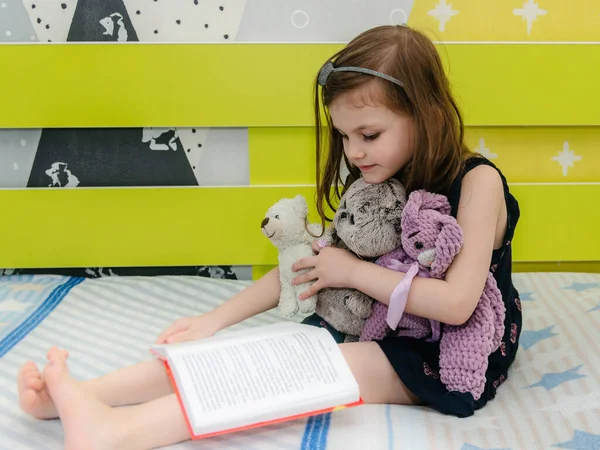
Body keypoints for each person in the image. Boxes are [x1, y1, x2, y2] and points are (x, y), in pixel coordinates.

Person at [17, 24, 521, 449]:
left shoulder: (478, 182)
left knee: (289, 370)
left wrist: (353, 272)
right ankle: (81, 394)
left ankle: (118, 431)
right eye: (344, 136)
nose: (354, 153)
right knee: (240, 350)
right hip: (376, 322)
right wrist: (213, 320)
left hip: (447, 351)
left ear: (427, 115)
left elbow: (458, 304)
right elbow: (310, 267)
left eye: (368, 134)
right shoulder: (381, 179)